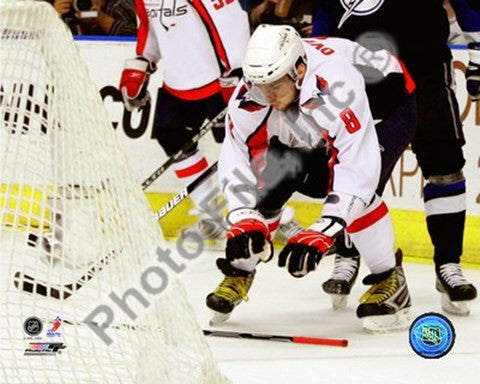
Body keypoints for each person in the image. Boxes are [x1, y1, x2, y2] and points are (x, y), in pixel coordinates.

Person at [206, 24, 418, 333]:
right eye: (260, 84)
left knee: (361, 195)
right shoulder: (256, 90)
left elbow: (357, 169)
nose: (266, 94)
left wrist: (325, 229)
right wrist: (242, 216)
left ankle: (390, 279)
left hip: (385, 107)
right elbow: (237, 152)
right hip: (309, 105)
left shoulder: (336, 82)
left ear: (299, 70)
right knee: (273, 178)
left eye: (274, 85)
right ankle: (240, 270)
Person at [313, 0, 479, 316]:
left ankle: (448, 264)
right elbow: (324, 13)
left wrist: (478, 55)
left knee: (444, 166)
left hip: (425, 65)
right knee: (353, 169)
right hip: (361, 78)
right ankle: (347, 254)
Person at [118, 0, 250, 243]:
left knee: (245, 145)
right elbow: (149, 29)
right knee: (171, 136)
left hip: (218, 79)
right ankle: (210, 213)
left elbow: (231, 21)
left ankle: (269, 212)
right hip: (177, 82)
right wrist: (144, 61)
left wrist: (237, 69)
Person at [50, 0, 136, 36]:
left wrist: (103, 20)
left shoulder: (119, 6)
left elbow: (144, 41)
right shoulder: (62, 8)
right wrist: (52, 16)